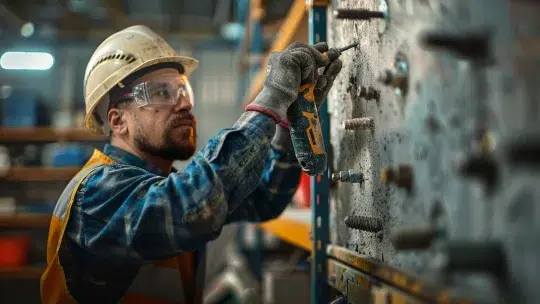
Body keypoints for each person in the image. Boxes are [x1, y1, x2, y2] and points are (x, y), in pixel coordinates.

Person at [40, 25, 342, 304]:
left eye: (183, 89)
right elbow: (192, 209)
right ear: (118, 121)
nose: (184, 103)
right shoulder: (95, 194)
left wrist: (290, 125)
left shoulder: (158, 186)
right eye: (161, 93)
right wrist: (272, 98)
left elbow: (264, 198)